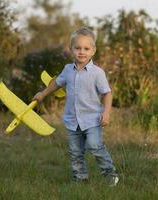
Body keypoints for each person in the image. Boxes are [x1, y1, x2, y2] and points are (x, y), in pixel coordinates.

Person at [33, 27, 119, 186]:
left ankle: (110, 174)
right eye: (78, 48)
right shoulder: (67, 70)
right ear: (71, 49)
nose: (82, 52)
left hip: (93, 119)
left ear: (93, 51)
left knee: (94, 146)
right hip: (72, 120)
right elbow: (56, 84)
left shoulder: (97, 73)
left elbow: (107, 93)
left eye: (86, 48)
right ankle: (80, 178)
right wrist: (42, 94)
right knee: (75, 152)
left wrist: (106, 113)